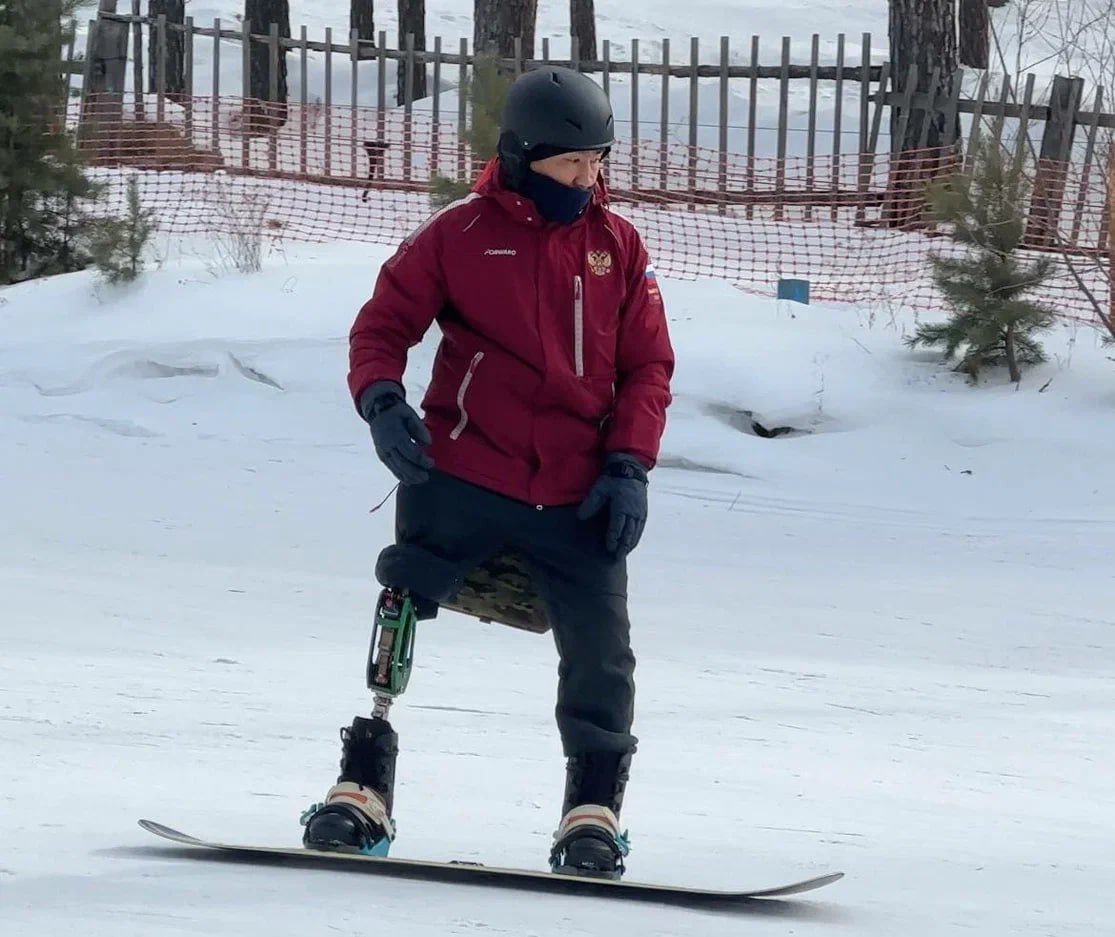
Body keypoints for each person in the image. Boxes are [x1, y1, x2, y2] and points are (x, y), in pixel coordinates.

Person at [300, 65, 674, 879]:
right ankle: (361, 788)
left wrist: (629, 465)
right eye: (571, 163)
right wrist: (382, 402)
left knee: (602, 650)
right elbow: (382, 324)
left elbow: (648, 367)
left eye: (597, 160)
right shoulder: (460, 234)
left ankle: (593, 813)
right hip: (465, 465)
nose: (589, 177)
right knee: (403, 591)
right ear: (523, 155)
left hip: (578, 488)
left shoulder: (617, 245)